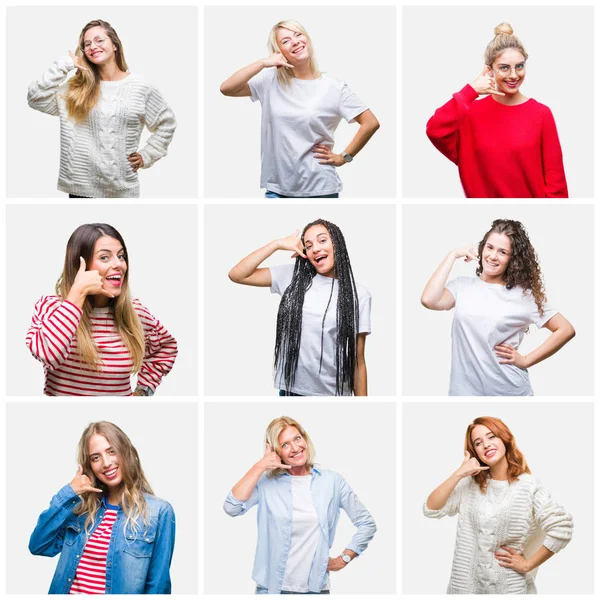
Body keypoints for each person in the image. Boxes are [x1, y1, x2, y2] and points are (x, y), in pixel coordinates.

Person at [220, 20, 380, 198]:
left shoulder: (334, 87)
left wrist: (343, 157)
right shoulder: (270, 81)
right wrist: (264, 63)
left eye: (298, 35)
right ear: (279, 52)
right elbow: (227, 88)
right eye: (286, 41)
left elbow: (370, 123)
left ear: (308, 40)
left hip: (320, 188)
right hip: (277, 188)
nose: (295, 41)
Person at [421, 219, 575, 396]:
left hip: (509, 391)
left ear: (513, 259)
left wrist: (525, 360)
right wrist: (453, 255)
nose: (493, 256)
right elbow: (428, 300)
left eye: (502, 252)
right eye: (490, 247)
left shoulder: (523, 297)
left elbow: (565, 329)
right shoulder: (462, 286)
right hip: (464, 392)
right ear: (482, 248)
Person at [223, 416, 376, 594]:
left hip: (315, 590)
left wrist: (344, 558)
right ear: (276, 451)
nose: (295, 448)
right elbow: (231, 507)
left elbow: (367, 523)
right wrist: (260, 466)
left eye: (297, 438)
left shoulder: (332, 481)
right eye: (285, 445)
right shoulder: (266, 483)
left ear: (305, 438)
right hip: (272, 589)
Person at [27, 19, 176, 198]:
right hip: (80, 190)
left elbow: (167, 123)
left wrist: (148, 154)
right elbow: (35, 98)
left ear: (114, 44)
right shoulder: (75, 89)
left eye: (99, 40)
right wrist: (64, 65)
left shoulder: (140, 87)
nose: (92, 46)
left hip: (123, 189)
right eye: (87, 44)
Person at [424, 416, 573, 594]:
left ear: (505, 438)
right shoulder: (469, 485)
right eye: (478, 442)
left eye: (491, 436)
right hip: (463, 590)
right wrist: (459, 473)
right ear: (475, 452)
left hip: (509, 589)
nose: (486, 444)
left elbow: (562, 528)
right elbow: (431, 509)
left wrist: (527, 564)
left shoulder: (528, 486)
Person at [26, 223, 178, 395]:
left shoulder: (135, 312)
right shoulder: (51, 307)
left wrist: (143, 391)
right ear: (80, 265)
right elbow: (49, 355)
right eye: (105, 257)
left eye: (121, 256)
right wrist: (78, 292)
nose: (119, 265)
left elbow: (167, 347)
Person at [29, 421, 176, 594]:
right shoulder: (80, 509)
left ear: (125, 452)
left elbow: (158, 587)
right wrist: (69, 493)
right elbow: (39, 545)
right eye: (95, 458)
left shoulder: (158, 512)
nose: (106, 463)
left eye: (111, 451)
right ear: (89, 465)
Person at [228, 219, 370, 396]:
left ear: (337, 243)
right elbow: (237, 275)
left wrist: (363, 405)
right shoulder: (291, 276)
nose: (315, 249)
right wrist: (276, 244)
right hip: (291, 391)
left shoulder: (360, 295)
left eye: (322, 240)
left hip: (334, 393)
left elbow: (358, 361)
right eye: (308, 245)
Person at [426, 23, 567, 198]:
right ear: (489, 69)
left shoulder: (541, 114)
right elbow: (435, 130)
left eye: (520, 66)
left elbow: (556, 185)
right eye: (504, 67)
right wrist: (470, 91)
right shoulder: (469, 114)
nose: (514, 75)